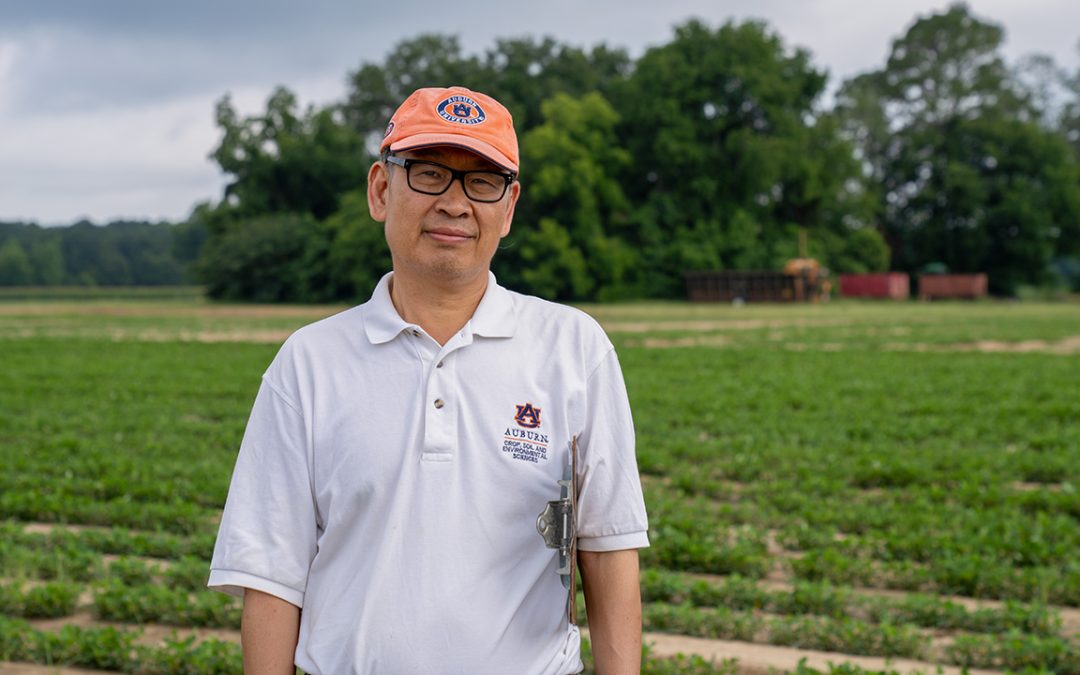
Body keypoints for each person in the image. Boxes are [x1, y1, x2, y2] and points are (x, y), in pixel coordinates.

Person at [208, 85, 650, 674]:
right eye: (430, 174)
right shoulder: (308, 363)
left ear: (509, 206)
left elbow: (608, 548)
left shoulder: (574, 349)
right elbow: (271, 574)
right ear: (381, 189)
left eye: (482, 181)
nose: (455, 203)